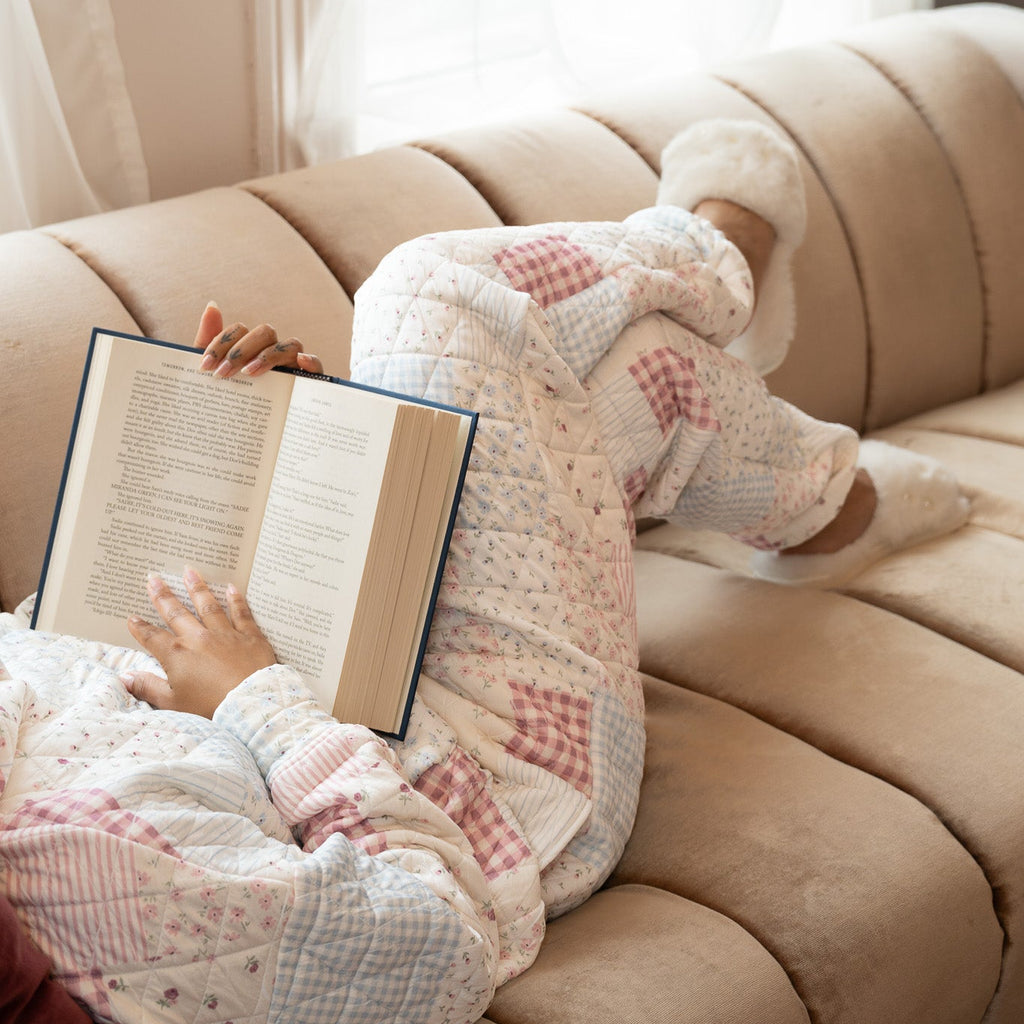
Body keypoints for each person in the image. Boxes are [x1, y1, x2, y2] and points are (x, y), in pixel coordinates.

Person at [0, 121, 967, 1024]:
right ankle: (721, 276)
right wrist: (254, 695)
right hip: (492, 776)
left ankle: (826, 509)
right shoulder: (88, 873)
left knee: (630, 370)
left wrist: (293, 448)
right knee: (430, 291)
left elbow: (87, 645)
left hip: (349, 648)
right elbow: (436, 937)